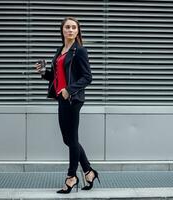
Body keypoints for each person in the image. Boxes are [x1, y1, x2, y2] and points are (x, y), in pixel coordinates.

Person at [34, 17, 100, 194]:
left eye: (73, 27)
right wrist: (43, 72)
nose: (70, 30)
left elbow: (87, 77)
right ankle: (88, 171)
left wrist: (69, 90)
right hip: (61, 98)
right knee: (68, 139)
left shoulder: (80, 51)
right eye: (67, 27)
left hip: (73, 99)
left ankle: (71, 177)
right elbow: (56, 77)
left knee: (72, 139)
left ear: (78, 31)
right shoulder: (60, 51)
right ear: (62, 30)